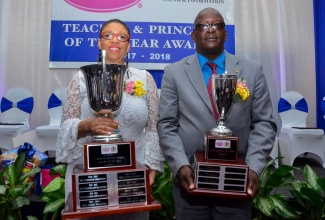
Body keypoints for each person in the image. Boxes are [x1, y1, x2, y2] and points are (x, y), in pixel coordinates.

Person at [157, 7, 277, 220]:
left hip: (237, 179)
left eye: (217, 25)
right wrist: (180, 165)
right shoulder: (174, 73)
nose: (210, 30)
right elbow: (166, 124)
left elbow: (264, 123)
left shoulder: (252, 70)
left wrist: (254, 167)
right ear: (194, 35)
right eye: (203, 26)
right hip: (190, 178)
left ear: (225, 34)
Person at [56, 18, 165, 220]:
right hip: (89, 177)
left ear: (129, 45)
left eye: (122, 37)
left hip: (131, 177)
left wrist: (150, 167)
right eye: (108, 35)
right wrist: (86, 125)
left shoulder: (144, 79)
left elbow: (153, 128)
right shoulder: (80, 78)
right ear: (99, 42)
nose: (115, 40)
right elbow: (65, 127)